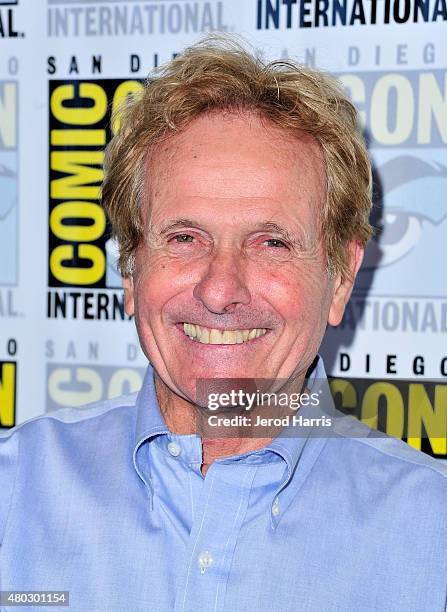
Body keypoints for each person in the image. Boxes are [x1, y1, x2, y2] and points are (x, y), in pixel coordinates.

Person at [1, 36, 446, 612]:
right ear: (132, 268)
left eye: (271, 242)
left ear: (340, 278)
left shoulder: (431, 533)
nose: (219, 290)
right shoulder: (13, 493)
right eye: (185, 238)